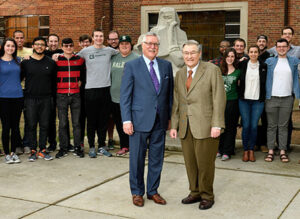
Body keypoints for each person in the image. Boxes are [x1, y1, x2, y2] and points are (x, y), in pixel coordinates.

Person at [170, 40, 226, 210]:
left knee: (205, 164)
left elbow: (219, 98)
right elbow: (177, 101)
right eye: (186, 53)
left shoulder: (211, 70)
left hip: (206, 126)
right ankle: (194, 192)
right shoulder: (180, 74)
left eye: (193, 52)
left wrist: (217, 124)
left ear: (199, 53)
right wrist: (174, 125)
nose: (189, 56)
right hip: (185, 126)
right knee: (190, 163)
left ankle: (207, 195)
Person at [120, 32, 173, 207]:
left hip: (160, 120)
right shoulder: (132, 66)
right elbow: (125, 95)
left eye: (156, 44)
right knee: (137, 158)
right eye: (149, 43)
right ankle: (137, 192)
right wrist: (126, 120)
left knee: (157, 158)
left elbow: (169, 95)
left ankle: (152, 191)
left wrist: (170, 118)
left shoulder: (166, 66)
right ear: (142, 45)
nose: (153, 47)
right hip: (138, 120)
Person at [77, 28, 118, 158]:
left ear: (103, 38)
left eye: (101, 36)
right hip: (90, 90)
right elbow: (72, 57)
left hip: (105, 89)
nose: (99, 38)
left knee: (103, 120)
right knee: (91, 121)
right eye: (96, 36)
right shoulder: (86, 51)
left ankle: (101, 146)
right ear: (93, 38)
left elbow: (124, 52)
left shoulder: (109, 51)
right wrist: (57, 55)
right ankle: (91, 147)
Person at [21, 36, 56, 162]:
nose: (39, 46)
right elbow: (20, 79)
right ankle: (33, 150)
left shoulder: (51, 62)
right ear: (33, 46)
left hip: (46, 98)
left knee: (44, 125)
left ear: (45, 46)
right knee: (31, 125)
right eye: (37, 44)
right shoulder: (26, 63)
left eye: (42, 44)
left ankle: (42, 149)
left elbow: (53, 82)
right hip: (30, 99)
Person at [264, 38, 300, 163]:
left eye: (284, 46)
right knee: (271, 126)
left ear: (288, 47)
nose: (281, 48)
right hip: (271, 98)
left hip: (287, 98)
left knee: (283, 126)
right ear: (276, 48)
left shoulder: (294, 61)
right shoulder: (269, 61)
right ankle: (270, 151)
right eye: (279, 46)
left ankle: (283, 151)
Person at [55, 38, 85, 159]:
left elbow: (83, 75)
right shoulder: (56, 60)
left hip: (75, 94)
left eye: (70, 45)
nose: (68, 48)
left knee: (76, 123)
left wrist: (80, 83)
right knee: (62, 123)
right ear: (62, 47)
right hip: (61, 95)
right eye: (66, 45)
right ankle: (63, 147)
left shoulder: (80, 60)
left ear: (73, 46)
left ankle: (78, 147)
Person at [110, 35, 138, 156]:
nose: (124, 45)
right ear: (119, 45)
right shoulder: (114, 58)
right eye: (122, 44)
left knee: (131, 123)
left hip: (131, 98)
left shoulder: (137, 59)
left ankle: (135, 146)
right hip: (115, 97)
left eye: (127, 43)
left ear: (131, 45)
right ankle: (124, 146)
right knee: (119, 123)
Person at [238, 45, 267, 162]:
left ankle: (251, 150)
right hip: (244, 100)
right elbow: (230, 65)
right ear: (248, 53)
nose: (253, 54)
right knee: (246, 126)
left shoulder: (264, 66)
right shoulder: (242, 64)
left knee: (254, 126)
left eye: (256, 52)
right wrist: (238, 60)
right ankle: (245, 150)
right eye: (251, 52)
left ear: (258, 53)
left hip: (257, 101)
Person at [0, 38, 23, 164]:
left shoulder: (18, 61)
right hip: (3, 98)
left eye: (12, 46)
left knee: (15, 127)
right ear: (4, 47)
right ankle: (7, 154)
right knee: (6, 126)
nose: (10, 48)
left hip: (18, 97)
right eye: (8, 45)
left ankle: (14, 152)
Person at [217, 48, 240, 161]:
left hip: (233, 102)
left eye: (232, 56)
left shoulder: (238, 71)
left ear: (235, 58)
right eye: (228, 56)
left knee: (230, 127)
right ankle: (219, 149)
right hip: (220, 102)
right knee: (220, 126)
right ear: (224, 57)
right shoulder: (219, 70)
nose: (230, 58)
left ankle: (227, 151)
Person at [13, 30, 32, 155]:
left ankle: (27, 143)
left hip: (28, 90)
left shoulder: (30, 51)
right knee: (15, 120)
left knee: (29, 119)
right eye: (17, 38)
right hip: (15, 90)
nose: (19, 40)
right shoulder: (9, 52)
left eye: (21, 38)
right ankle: (17, 144)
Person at [44, 33, 64, 153]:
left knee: (63, 118)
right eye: (51, 41)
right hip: (48, 91)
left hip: (62, 90)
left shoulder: (63, 52)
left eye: (55, 41)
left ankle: (65, 143)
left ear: (58, 42)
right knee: (50, 118)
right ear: (47, 43)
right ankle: (51, 143)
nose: (53, 43)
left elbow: (74, 55)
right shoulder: (44, 54)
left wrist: (61, 54)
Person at [256, 35, 273, 153]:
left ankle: (263, 143)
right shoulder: (252, 55)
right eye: (259, 41)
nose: (261, 43)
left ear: (266, 43)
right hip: (253, 93)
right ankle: (255, 143)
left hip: (266, 93)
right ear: (256, 42)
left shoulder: (270, 56)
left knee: (265, 120)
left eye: (263, 41)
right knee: (255, 120)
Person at [106, 30, 120, 150]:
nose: (113, 41)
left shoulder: (124, 52)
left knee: (120, 117)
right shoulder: (105, 52)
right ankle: (110, 139)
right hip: (107, 89)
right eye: (111, 39)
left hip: (120, 90)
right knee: (109, 117)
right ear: (108, 41)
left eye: (115, 39)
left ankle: (124, 139)